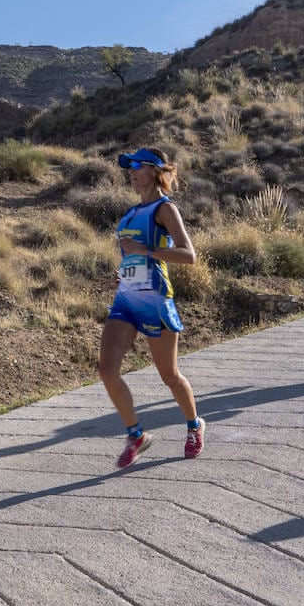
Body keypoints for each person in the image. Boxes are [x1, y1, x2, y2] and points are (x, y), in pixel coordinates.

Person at [97, 147, 205, 468]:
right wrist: (125, 269)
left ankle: (194, 425)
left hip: (156, 298)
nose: (130, 171)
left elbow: (189, 255)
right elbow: (134, 256)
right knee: (106, 370)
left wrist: (146, 251)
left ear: (155, 170)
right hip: (128, 298)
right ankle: (136, 436)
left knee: (169, 376)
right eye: (128, 167)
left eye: (137, 166)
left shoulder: (164, 209)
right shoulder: (129, 213)